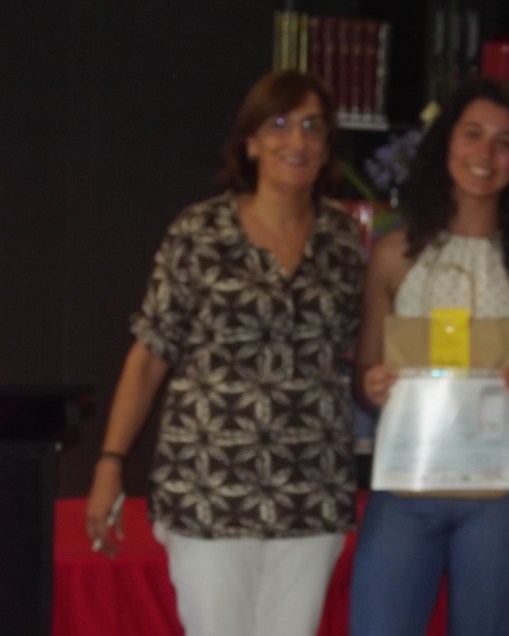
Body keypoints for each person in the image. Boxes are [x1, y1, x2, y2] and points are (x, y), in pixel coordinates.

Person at [84, 70, 365, 636]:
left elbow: (360, 350)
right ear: (251, 143)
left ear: (327, 146)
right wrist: (110, 462)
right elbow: (150, 355)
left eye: (312, 126)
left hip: (311, 492)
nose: (297, 140)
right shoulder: (199, 231)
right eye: (279, 124)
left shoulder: (343, 240)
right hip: (209, 485)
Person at [349, 77, 509, 635]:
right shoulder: (394, 254)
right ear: (445, 142)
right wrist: (370, 384)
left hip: (501, 487)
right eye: (472, 134)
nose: (485, 153)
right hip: (407, 480)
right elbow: (363, 372)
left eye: (504, 142)